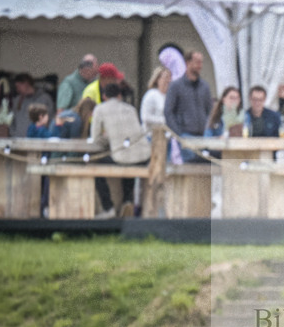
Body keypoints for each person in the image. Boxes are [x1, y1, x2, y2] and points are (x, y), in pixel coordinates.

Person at [90, 83, 152, 219]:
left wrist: (108, 139)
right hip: (144, 157)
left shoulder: (100, 109)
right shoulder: (131, 109)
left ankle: (108, 208)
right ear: (119, 96)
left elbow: (95, 139)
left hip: (122, 157)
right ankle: (127, 201)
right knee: (129, 162)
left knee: (95, 165)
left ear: (104, 97)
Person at [164, 50, 214, 162]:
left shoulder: (204, 86)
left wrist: (208, 130)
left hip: (203, 135)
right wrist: (178, 134)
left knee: (204, 165)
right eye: (197, 62)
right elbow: (168, 112)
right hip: (186, 134)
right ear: (187, 63)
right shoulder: (176, 86)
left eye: (201, 62)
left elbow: (209, 110)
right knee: (191, 164)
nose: (200, 66)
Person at [10, 73, 55, 138]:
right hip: (18, 140)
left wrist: (43, 134)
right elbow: (11, 119)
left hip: (38, 141)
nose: (17, 90)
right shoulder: (17, 100)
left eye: (19, 86)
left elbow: (50, 118)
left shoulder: (44, 99)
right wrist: (14, 134)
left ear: (26, 83)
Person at [140, 66, 172, 131]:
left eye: (170, 78)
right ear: (158, 80)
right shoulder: (151, 95)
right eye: (166, 78)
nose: (168, 81)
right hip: (152, 135)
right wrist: (165, 120)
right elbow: (145, 117)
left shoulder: (170, 96)